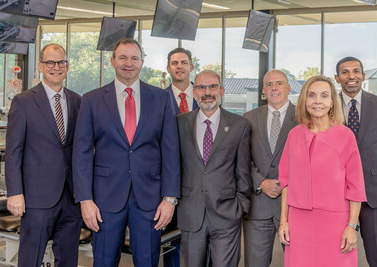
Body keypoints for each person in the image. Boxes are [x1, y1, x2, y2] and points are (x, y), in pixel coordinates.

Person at [72, 38, 180, 266]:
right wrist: (85, 200)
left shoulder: (161, 98)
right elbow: (81, 153)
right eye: (122, 57)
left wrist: (170, 198)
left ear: (142, 62)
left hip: (150, 199)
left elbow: (171, 152)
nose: (128, 63)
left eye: (134, 58)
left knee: (147, 261)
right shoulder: (91, 100)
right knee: (103, 261)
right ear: (112, 61)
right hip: (104, 200)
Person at [5, 43, 82, 267]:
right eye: (50, 62)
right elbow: (13, 151)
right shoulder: (24, 101)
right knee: (31, 259)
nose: (56, 67)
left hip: (71, 198)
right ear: (40, 66)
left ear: (67, 66)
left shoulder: (78, 101)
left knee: (68, 260)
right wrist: (15, 193)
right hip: (36, 199)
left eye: (61, 62)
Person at [278, 75, 367, 267]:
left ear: (332, 102)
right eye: (312, 95)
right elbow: (286, 182)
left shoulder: (345, 136)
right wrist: (283, 221)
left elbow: (356, 187)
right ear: (304, 100)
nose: (318, 101)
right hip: (299, 222)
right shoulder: (294, 135)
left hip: (336, 223)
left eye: (324, 95)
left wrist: (352, 226)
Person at [177, 70, 252, 267]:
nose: (207, 92)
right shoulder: (179, 123)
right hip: (191, 212)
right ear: (194, 93)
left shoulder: (240, 125)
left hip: (227, 214)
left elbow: (243, 170)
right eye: (201, 87)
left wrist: (240, 207)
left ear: (222, 90)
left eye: (212, 87)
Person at [335, 57, 377, 267]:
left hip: (374, 194)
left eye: (356, 71)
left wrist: (369, 174)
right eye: (345, 72)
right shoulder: (328, 105)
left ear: (362, 75)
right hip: (336, 194)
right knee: (335, 252)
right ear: (337, 78)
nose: (351, 76)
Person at [243, 69, 298, 267]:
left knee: (299, 262)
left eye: (279, 83)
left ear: (289, 88)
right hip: (258, 206)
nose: (274, 88)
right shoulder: (248, 118)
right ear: (264, 90)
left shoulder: (304, 118)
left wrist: (285, 183)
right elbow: (240, 159)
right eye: (269, 84)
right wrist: (260, 182)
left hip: (294, 207)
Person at [166, 47, 198, 114]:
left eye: (184, 63)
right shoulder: (160, 98)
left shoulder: (202, 94)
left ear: (191, 67)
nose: (179, 66)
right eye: (174, 63)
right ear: (168, 69)